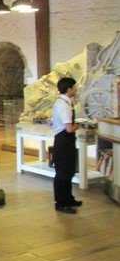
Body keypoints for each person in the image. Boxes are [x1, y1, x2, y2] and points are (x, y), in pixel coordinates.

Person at [51, 77, 81, 214]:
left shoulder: (64, 102)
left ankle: (69, 198)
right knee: (62, 172)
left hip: (65, 140)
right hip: (63, 141)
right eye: (74, 87)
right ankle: (61, 203)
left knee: (68, 170)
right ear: (69, 89)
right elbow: (69, 128)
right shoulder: (64, 105)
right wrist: (79, 125)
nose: (76, 89)